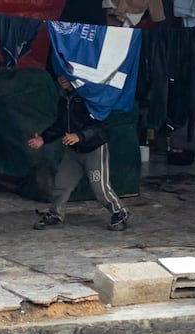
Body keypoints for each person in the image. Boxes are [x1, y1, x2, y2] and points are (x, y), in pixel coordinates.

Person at [27, 74, 129, 231]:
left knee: (100, 188)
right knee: (61, 184)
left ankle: (120, 212)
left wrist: (79, 136)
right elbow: (60, 126)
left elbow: (101, 128)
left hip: (94, 149)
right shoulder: (64, 100)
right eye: (60, 77)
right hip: (73, 152)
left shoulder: (89, 97)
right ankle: (55, 214)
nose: (62, 80)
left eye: (66, 76)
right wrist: (43, 139)